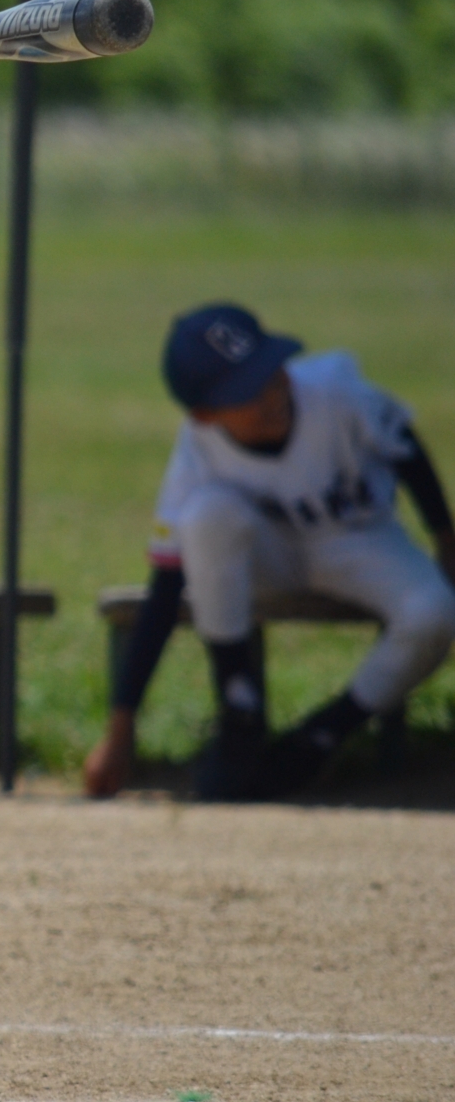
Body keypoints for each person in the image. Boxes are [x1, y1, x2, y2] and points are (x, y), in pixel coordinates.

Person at [85, 304, 455, 802]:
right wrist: (121, 727)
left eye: (269, 370)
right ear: (205, 415)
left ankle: (322, 736)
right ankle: (240, 715)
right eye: (245, 391)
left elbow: (404, 446)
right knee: (206, 517)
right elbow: (166, 587)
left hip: (359, 541)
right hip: (268, 557)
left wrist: (445, 536)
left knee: (435, 611)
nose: (270, 393)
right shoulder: (197, 449)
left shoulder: (333, 389)